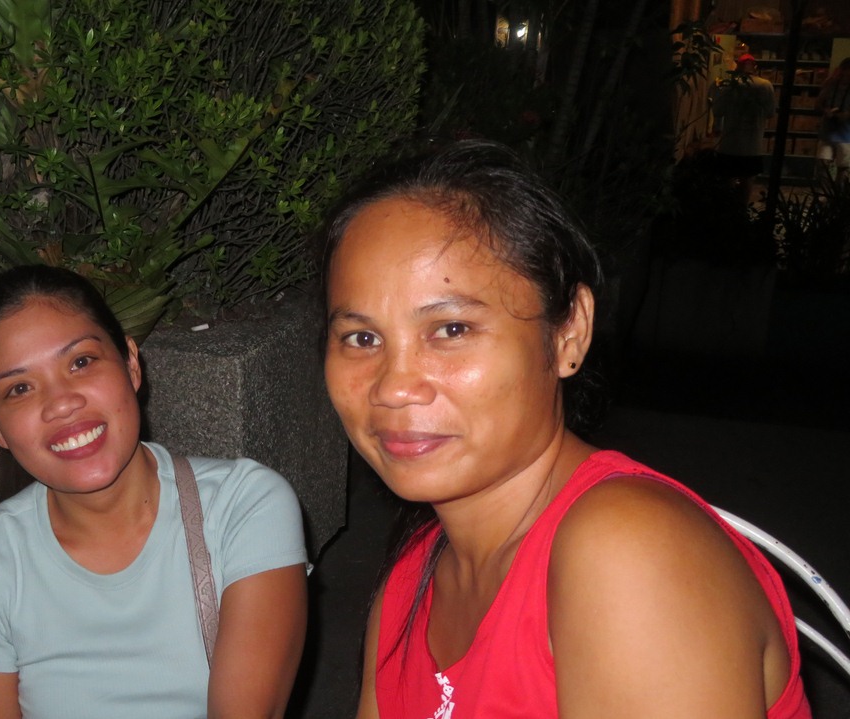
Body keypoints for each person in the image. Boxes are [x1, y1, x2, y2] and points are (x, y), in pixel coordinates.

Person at [320, 140, 811, 718]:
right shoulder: (412, 581)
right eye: (361, 338)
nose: (393, 387)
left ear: (568, 333)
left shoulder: (629, 554)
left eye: (451, 329)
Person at [0, 264, 309, 719]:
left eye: (81, 362)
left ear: (131, 363)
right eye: (20, 388)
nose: (61, 403)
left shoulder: (243, 507)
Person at [713, 54, 776, 205]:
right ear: (755, 67)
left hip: (729, 143)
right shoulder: (765, 85)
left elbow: (717, 111)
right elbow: (770, 113)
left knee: (727, 179)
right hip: (752, 145)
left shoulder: (730, 85)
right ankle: (742, 211)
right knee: (747, 181)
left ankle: (727, 210)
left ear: (738, 67)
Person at [816, 58, 850, 188]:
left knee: (843, 168)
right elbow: (818, 104)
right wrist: (826, 111)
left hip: (846, 134)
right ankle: (826, 193)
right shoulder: (830, 85)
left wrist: (846, 115)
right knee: (823, 164)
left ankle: (836, 195)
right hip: (828, 132)